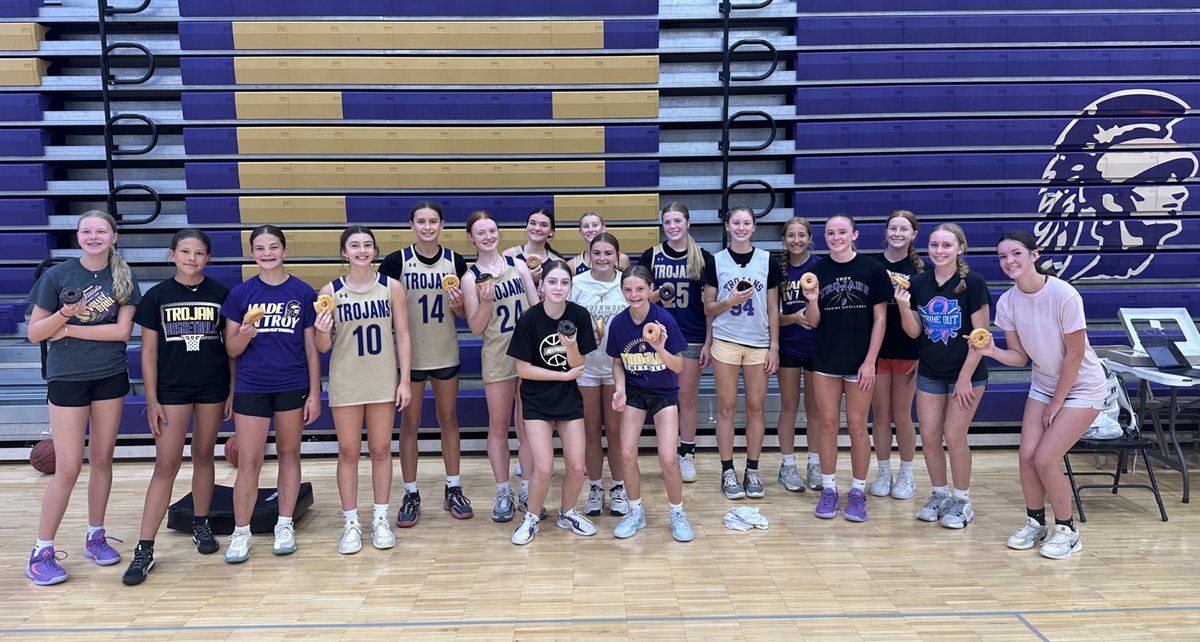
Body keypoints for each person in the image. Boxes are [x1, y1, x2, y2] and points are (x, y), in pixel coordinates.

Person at [974, 230, 1108, 559]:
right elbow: (1019, 357)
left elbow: (1075, 355)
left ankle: (1068, 530)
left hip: (1082, 386)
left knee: (1046, 459)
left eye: (1016, 253)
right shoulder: (1007, 302)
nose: (1009, 261)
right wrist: (992, 350)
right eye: (1003, 257)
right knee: (1025, 456)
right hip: (1044, 384)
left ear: (1034, 255)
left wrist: (1058, 403)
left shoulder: (1064, 295)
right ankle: (1036, 522)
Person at [25, 210, 141, 586]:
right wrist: (64, 314)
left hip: (109, 376)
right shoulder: (57, 276)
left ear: (114, 236)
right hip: (68, 379)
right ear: (77, 236)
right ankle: (41, 550)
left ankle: (96, 535)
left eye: (101, 231)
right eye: (86, 231)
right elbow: (35, 333)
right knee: (69, 467)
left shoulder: (123, 277)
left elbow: (122, 333)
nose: (93, 236)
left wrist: (69, 330)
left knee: (103, 459)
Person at [122, 229, 232, 585]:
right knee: (166, 464)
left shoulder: (221, 294)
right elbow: (149, 352)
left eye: (199, 253)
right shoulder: (157, 297)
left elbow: (230, 348)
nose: (191, 258)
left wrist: (230, 389)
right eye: (185, 251)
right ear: (172, 255)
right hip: (171, 390)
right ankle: (145, 548)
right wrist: (151, 399)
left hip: (213, 387)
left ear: (208, 258)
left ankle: (201, 524)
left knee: (203, 454)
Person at [220, 225, 321, 564]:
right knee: (249, 462)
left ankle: (284, 524)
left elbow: (311, 348)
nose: (267, 253)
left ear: (285, 251)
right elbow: (231, 349)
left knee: (289, 455)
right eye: (260, 248)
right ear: (252, 253)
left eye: (273, 247)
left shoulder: (303, 292)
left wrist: (314, 393)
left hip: (292, 385)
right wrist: (245, 335)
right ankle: (241, 531)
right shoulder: (240, 294)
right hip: (252, 386)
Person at [315, 226, 412, 554]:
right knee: (349, 452)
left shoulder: (391, 287)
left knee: (382, 450)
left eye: (367, 244)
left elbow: (403, 335)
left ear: (375, 249)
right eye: (354, 245)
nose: (361, 250)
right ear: (344, 252)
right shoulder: (330, 290)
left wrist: (405, 380)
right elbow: (321, 346)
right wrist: (321, 330)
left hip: (383, 380)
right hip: (346, 381)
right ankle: (351, 522)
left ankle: (380, 519)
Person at [379, 202, 471, 528]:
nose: (428, 227)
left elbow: (464, 314)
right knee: (410, 425)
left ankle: (454, 487)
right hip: (410, 358)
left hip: (444, 351)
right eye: (422, 221)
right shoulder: (396, 262)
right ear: (412, 224)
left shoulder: (455, 261)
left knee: (448, 419)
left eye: (433, 221)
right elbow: (381, 307)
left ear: (442, 225)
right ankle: (410, 492)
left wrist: (459, 305)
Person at [895, 224, 991, 530]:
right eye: (934, 245)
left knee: (954, 435)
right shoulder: (920, 282)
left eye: (946, 245)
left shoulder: (973, 283)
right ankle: (939, 494)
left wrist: (965, 378)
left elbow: (981, 338)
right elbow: (914, 332)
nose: (939, 251)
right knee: (930, 436)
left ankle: (962, 500)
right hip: (931, 372)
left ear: (960, 248)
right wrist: (902, 306)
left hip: (967, 374)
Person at [804, 214, 889, 522]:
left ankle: (856, 492)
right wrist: (812, 300)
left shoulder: (872, 269)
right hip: (826, 360)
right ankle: (829, 489)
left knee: (856, 427)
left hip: (860, 362)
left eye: (842, 232)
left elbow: (880, 319)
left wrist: (870, 361)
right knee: (827, 425)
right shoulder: (817, 271)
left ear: (855, 234)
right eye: (830, 233)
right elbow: (813, 322)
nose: (836, 237)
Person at [506, 260, 598, 545]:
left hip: (569, 399)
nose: (558, 287)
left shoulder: (580, 316)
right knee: (543, 467)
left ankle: (568, 512)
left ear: (571, 286)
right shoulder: (529, 319)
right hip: (536, 400)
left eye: (564, 282)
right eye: (553, 282)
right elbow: (522, 369)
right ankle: (531, 517)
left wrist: (570, 346)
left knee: (576, 465)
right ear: (541, 286)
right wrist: (562, 376)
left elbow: (579, 365)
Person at [461, 210, 540, 522]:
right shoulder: (470, 278)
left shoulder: (516, 265)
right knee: (498, 426)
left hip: (528, 354)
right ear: (471, 238)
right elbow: (477, 327)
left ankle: (528, 488)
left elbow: (536, 308)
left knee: (527, 426)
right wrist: (485, 304)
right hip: (497, 355)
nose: (488, 236)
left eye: (492, 230)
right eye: (481, 232)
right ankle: (503, 490)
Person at [608, 266, 694, 542]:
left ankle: (677, 512)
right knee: (626, 453)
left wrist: (659, 348)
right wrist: (620, 389)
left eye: (640, 289)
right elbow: (618, 363)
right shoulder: (619, 324)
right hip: (634, 391)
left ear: (650, 289)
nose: (634, 295)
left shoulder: (664, 319)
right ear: (622, 291)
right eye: (628, 290)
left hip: (664, 392)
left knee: (668, 458)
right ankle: (635, 512)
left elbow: (679, 366)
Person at [702, 206, 781, 500]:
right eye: (736, 222)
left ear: (754, 227)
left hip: (759, 343)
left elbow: (773, 308)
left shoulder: (767, 260)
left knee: (756, 409)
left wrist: (774, 345)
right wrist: (730, 300)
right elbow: (708, 308)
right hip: (727, 340)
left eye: (746, 222)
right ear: (727, 226)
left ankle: (753, 470)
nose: (741, 227)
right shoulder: (716, 261)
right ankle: (727, 471)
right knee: (726, 408)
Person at [639, 202, 713, 484]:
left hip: (690, 337)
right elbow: (638, 298)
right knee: (659, 399)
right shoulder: (652, 255)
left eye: (677, 221)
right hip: (655, 337)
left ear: (688, 223)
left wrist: (708, 341)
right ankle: (666, 453)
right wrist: (659, 295)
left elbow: (709, 305)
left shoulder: (702, 257)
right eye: (667, 222)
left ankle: (687, 454)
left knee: (686, 399)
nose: (672, 226)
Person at [569, 232, 630, 516]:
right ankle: (595, 487)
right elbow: (566, 322)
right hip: (587, 368)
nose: (602, 258)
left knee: (616, 433)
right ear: (589, 255)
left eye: (608, 253)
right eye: (597, 253)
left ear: (617, 256)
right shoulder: (577, 284)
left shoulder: (626, 283)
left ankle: (618, 488)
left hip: (618, 368)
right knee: (591, 432)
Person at [868, 210, 923, 500]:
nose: (898, 233)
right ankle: (883, 471)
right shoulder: (871, 265)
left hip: (907, 351)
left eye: (904, 229)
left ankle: (906, 473)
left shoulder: (921, 271)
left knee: (902, 415)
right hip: (877, 351)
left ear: (914, 235)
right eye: (893, 228)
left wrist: (922, 356)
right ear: (886, 232)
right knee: (880, 415)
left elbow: (927, 319)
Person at [775, 217, 820, 492]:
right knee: (789, 407)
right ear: (784, 239)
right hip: (788, 346)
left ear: (809, 238)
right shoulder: (776, 270)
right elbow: (771, 317)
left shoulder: (820, 267)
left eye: (801, 235)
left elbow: (824, 313)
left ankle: (814, 464)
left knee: (814, 409)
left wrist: (811, 317)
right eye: (791, 235)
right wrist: (793, 318)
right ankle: (787, 465)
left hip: (816, 347)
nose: (796, 240)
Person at [503, 207, 566, 287]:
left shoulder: (558, 262)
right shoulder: (510, 255)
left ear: (551, 232)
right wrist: (528, 279)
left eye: (543, 225)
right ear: (526, 227)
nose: (537, 228)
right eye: (533, 223)